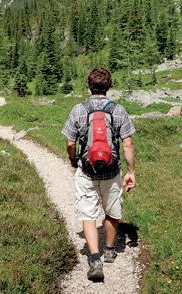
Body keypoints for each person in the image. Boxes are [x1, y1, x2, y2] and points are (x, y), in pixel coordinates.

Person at [61, 66, 136, 281]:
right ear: (109, 86)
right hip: (112, 172)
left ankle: (95, 259)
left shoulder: (78, 109)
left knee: (88, 214)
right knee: (112, 210)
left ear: (89, 85)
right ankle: (110, 249)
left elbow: (69, 141)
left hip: (87, 171)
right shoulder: (118, 110)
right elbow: (128, 144)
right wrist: (131, 172)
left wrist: (73, 159)